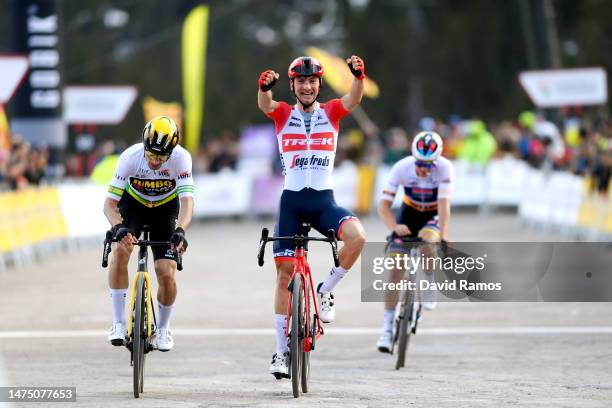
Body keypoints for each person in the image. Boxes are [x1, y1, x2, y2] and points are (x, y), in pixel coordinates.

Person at [258, 55, 367, 378]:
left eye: (312, 81)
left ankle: (325, 289)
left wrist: (358, 76)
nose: (307, 86)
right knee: (284, 275)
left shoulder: (331, 111)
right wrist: (263, 87)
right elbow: (265, 104)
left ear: (319, 84)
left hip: (323, 202)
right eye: (301, 82)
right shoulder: (282, 114)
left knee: (358, 237)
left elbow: (354, 98)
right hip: (291, 203)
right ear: (292, 86)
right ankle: (280, 352)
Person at [103, 116, 194, 352]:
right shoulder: (130, 157)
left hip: (164, 210)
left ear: (171, 152)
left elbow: (187, 201)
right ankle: (118, 323)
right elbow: (109, 205)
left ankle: (163, 328)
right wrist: (118, 227)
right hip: (133, 205)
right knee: (121, 251)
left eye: (161, 157)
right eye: (151, 155)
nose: (154, 161)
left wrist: (181, 230)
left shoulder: (182, 158)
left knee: (165, 271)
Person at [375, 131, 453, 353]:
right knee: (395, 270)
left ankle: (428, 283)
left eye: (429, 165)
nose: (423, 169)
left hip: (432, 215)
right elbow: (383, 206)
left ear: (437, 160)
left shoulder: (446, 168)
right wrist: (394, 228)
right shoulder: (401, 167)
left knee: (429, 243)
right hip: (407, 214)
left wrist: (444, 234)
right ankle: (387, 329)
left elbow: (444, 205)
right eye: (420, 163)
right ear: (413, 157)